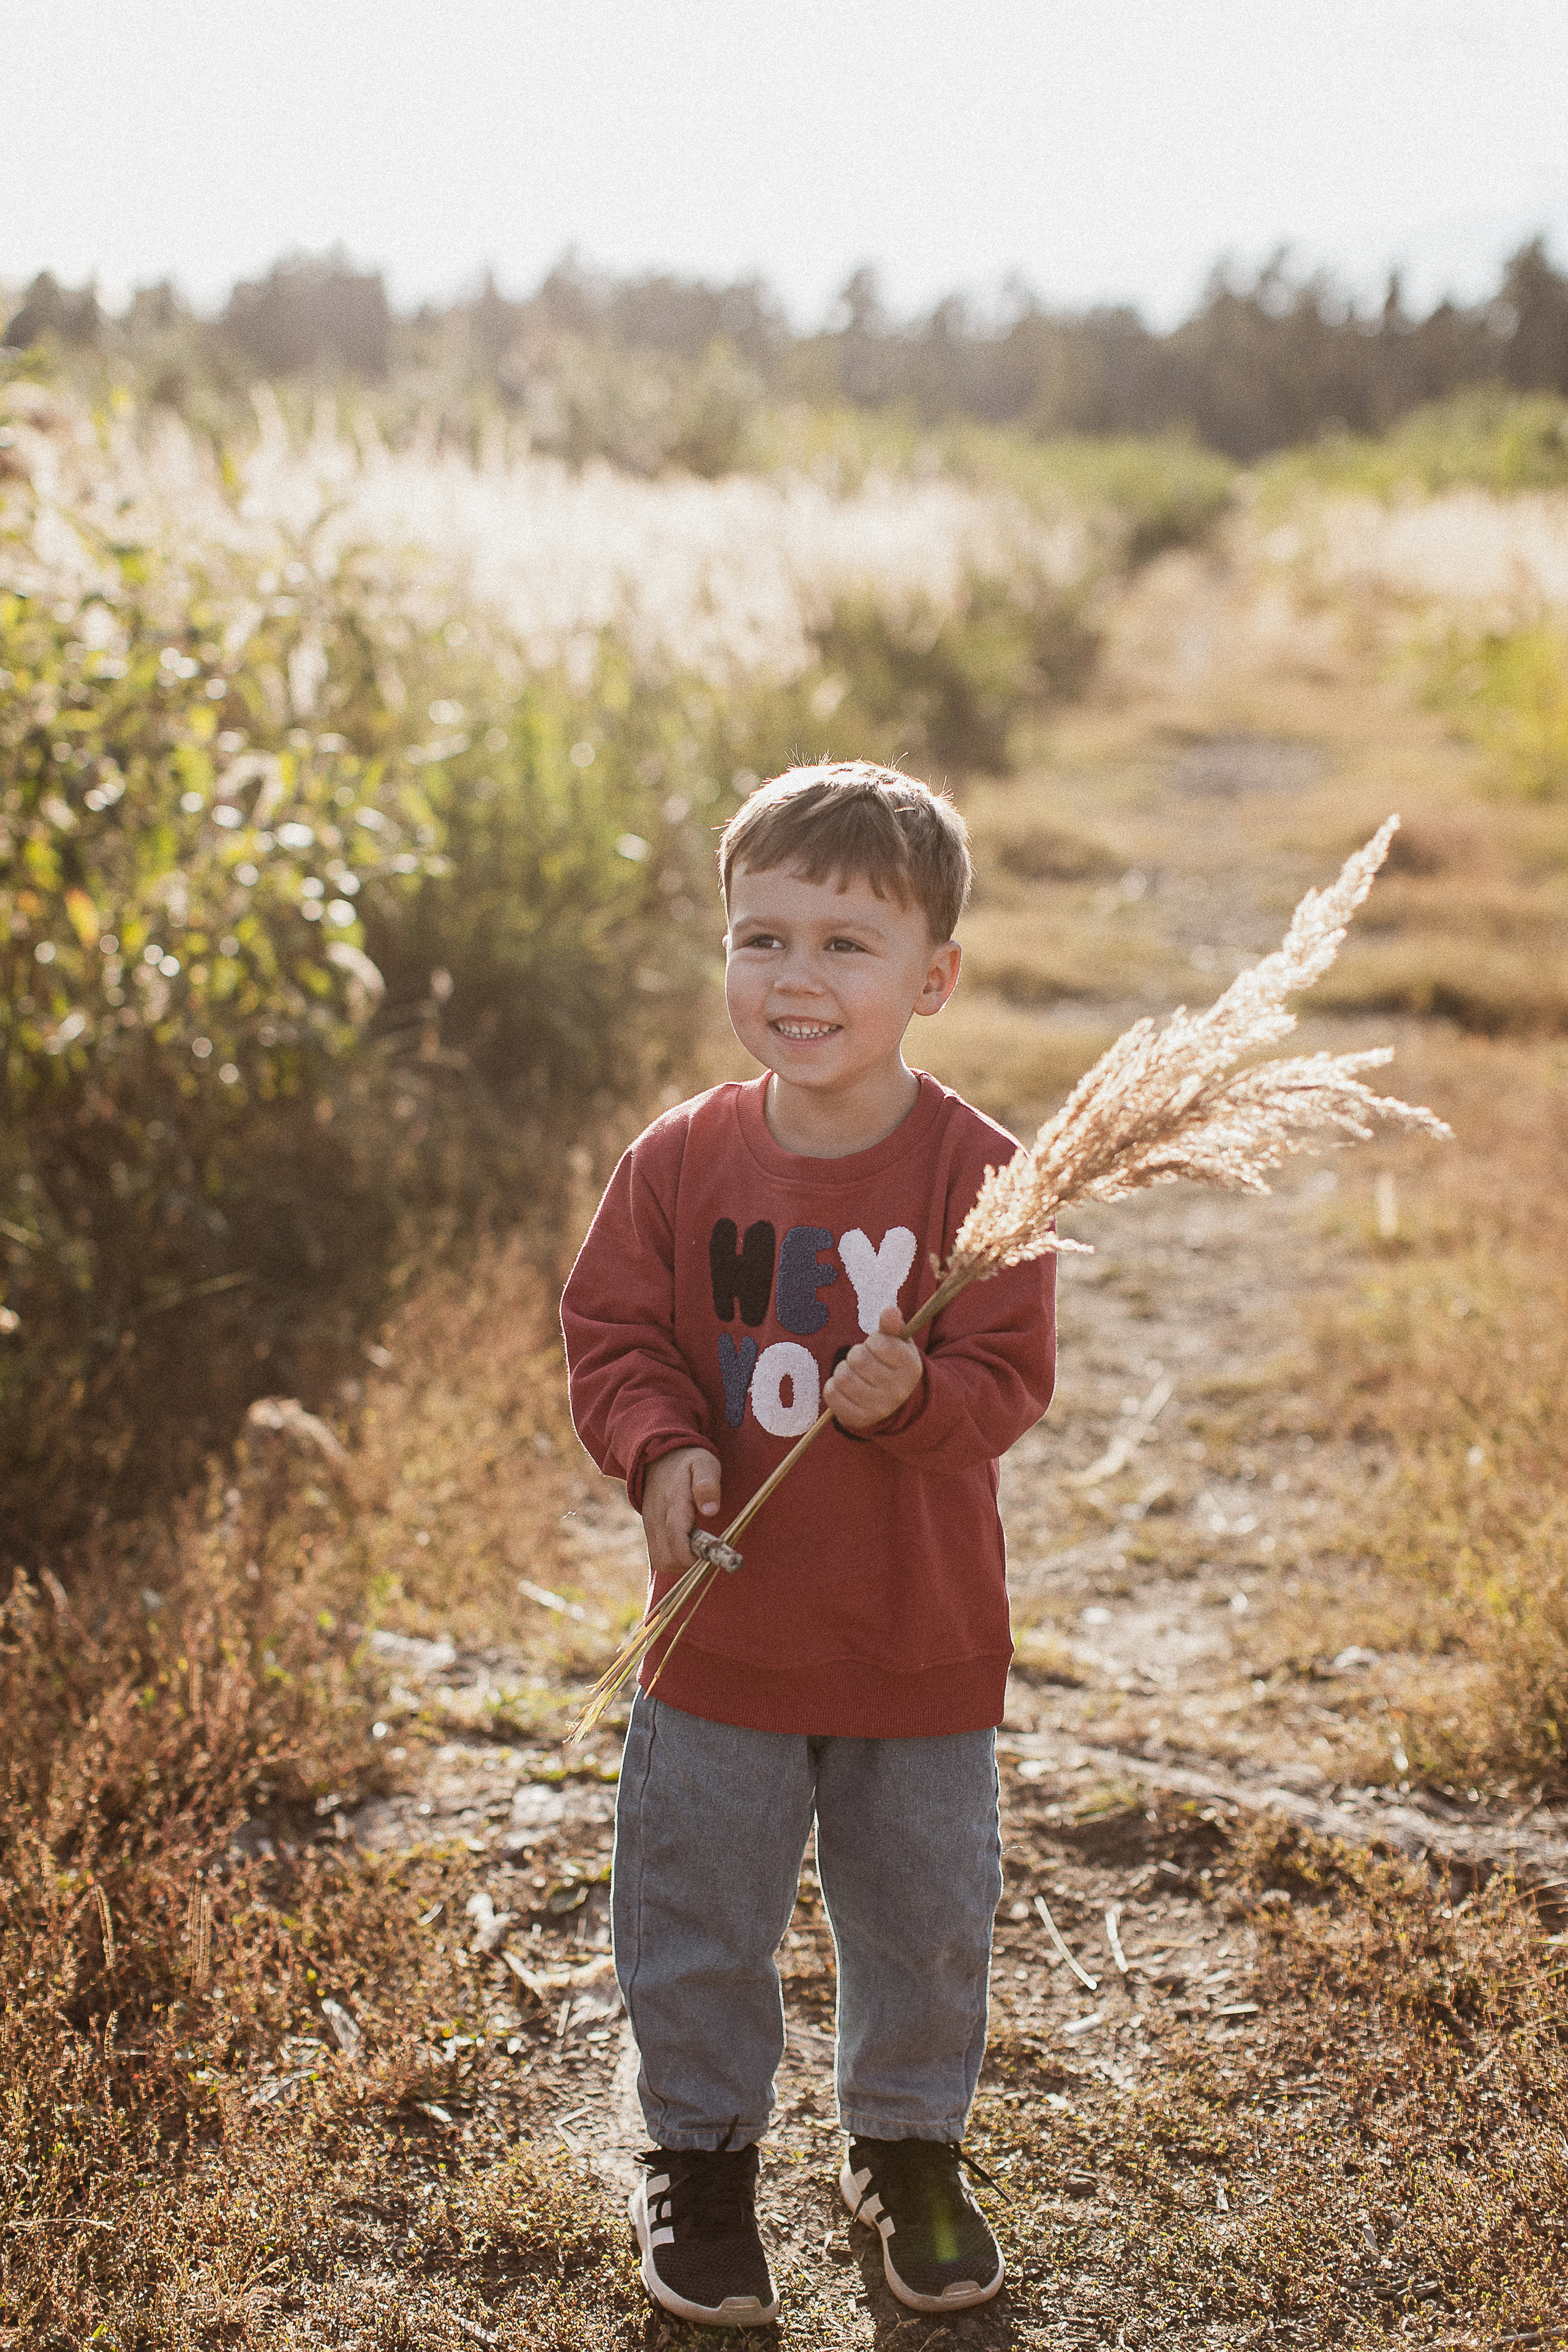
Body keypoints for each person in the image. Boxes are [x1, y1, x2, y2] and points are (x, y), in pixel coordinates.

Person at [560, 761, 1057, 2328]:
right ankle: (699, 2157)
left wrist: (921, 1391)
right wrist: (659, 1449)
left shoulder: (984, 1178)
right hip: (723, 1628)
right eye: (760, 938)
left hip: (916, 1632)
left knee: (921, 1911)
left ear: (935, 977)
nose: (796, 978)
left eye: (847, 945)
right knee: (697, 1904)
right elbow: (612, 1334)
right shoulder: (681, 1159)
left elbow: (1008, 1378)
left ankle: (905, 2148)